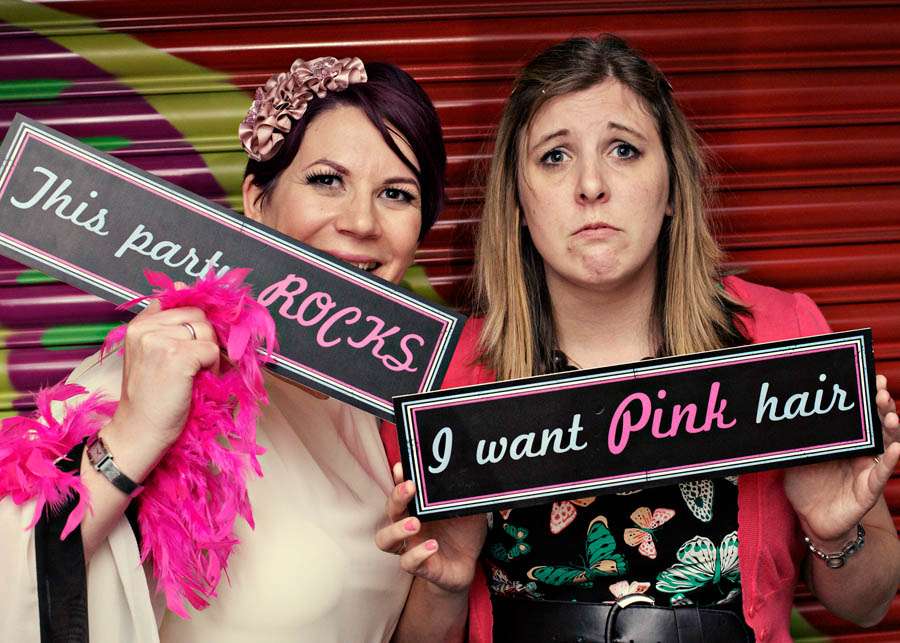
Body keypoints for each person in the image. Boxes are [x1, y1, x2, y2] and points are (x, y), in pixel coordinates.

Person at [377, 35, 900, 642]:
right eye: (554, 156)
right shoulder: (446, 382)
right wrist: (443, 585)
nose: (591, 185)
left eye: (623, 150)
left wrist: (836, 533)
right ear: (517, 200)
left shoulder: (783, 337)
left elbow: (868, 605)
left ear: (673, 187)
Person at [1, 55, 446, 643]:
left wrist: (447, 584)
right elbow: (15, 572)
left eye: (396, 193)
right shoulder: (161, 365)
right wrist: (134, 435)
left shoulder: (396, 404)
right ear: (258, 200)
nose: (361, 221)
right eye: (326, 180)